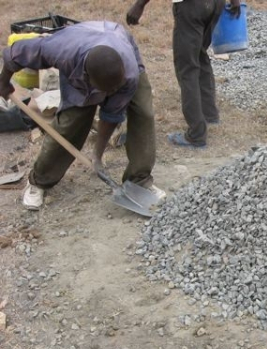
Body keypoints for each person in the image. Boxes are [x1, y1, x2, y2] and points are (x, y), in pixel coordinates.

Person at [0, 20, 165, 211]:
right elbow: (15, 53)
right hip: (78, 57)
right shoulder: (58, 50)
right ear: (88, 79)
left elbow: (111, 114)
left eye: (114, 89)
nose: (111, 93)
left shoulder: (127, 75)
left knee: (143, 113)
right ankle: (39, 181)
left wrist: (97, 156)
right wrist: (3, 81)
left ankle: (139, 180)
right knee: (70, 124)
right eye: (106, 91)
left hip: (118, 47)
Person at [126, 0, 242, 148]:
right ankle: (209, 114)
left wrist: (140, 5)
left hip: (192, 7)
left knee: (187, 67)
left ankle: (196, 135)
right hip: (215, 4)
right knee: (200, 54)